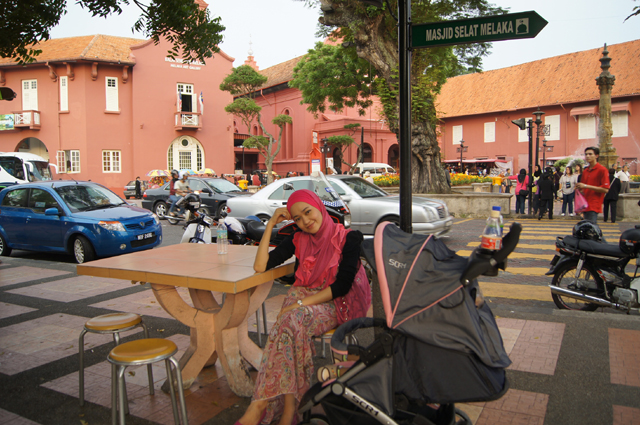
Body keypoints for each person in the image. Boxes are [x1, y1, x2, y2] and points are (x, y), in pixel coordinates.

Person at [236, 189, 366, 425]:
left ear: (319, 207)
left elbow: (342, 286)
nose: (305, 221)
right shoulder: (298, 238)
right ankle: (288, 409)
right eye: (297, 218)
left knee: (290, 321)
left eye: (308, 212)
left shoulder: (349, 238)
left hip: (332, 303)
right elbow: (261, 266)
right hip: (299, 305)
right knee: (290, 328)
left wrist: (299, 304)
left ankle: (262, 405)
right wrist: (271, 224)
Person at [576, 146, 609, 224]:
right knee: (587, 227)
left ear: (596, 156)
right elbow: (583, 188)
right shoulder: (585, 171)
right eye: (586, 154)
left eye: (590, 154)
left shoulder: (602, 170)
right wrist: (579, 188)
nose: (587, 156)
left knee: (590, 227)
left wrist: (585, 186)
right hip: (584, 204)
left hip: (594, 205)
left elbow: (605, 189)